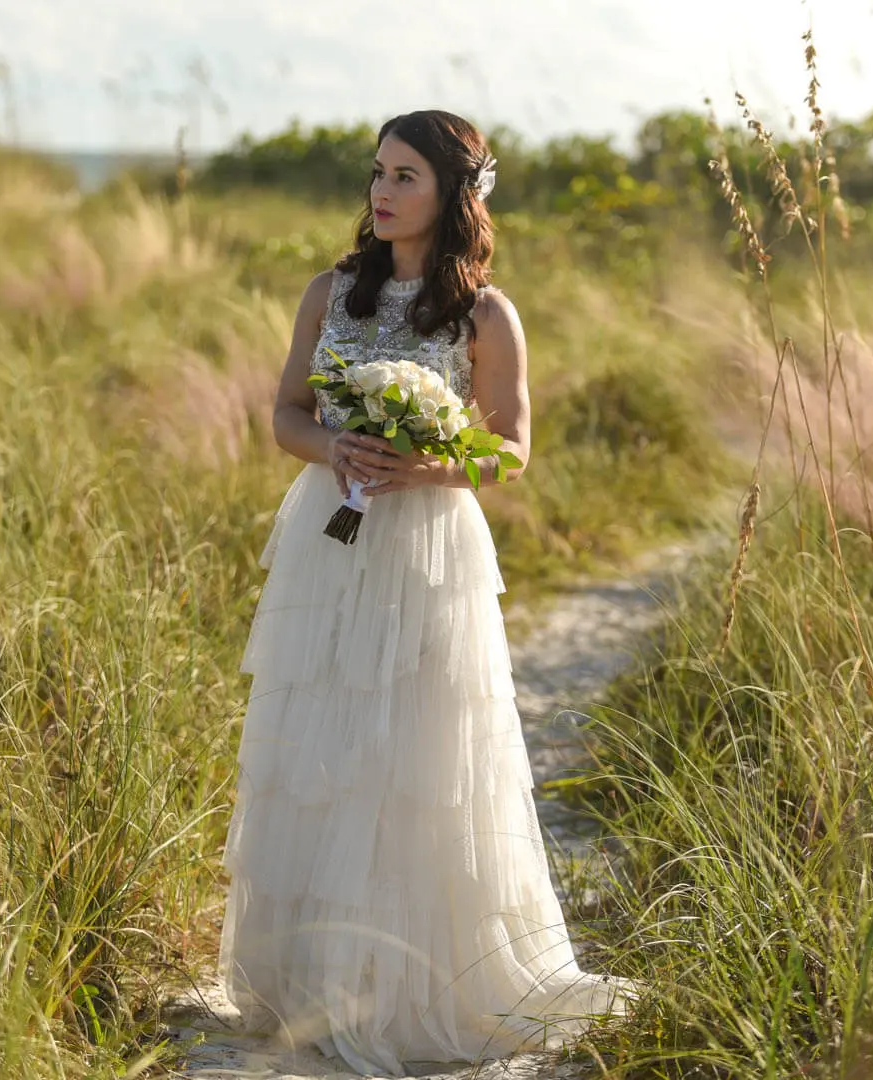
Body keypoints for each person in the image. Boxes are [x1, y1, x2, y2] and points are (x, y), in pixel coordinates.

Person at [217, 109, 640, 1075]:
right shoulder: (329, 292)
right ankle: (310, 981)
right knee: (320, 739)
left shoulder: (487, 316)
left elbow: (513, 450)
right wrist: (335, 445)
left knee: (420, 747)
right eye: (377, 173)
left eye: (405, 175)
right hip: (328, 536)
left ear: (454, 192)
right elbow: (285, 413)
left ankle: (418, 982)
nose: (382, 191)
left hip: (429, 547)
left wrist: (430, 463)